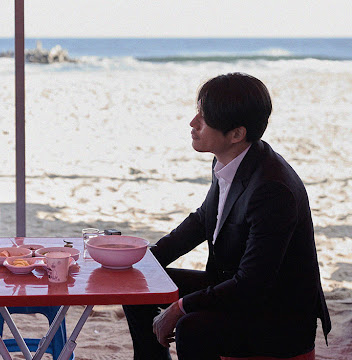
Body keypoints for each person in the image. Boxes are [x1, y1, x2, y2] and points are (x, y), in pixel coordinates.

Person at [123, 73, 331, 360]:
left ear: (236, 134)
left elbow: (252, 284)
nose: (193, 124)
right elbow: (202, 220)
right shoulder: (231, 158)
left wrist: (179, 307)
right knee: (140, 287)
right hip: (238, 288)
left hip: (278, 317)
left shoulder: (272, 189)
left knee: (191, 327)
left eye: (204, 119)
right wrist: (144, 261)